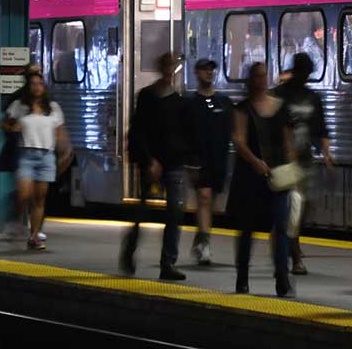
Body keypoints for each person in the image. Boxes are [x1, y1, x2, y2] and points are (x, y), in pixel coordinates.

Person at [121, 52, 190, 279]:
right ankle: (130, 249)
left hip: (173, 163)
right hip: (152, 162)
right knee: (143, 211)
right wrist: (148, 160)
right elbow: (139, 131)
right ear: (162, 68)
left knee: (175, 213)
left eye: (174, 66)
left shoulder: (179, 101)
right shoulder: (147, 96)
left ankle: (168, 263)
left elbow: (182, 135)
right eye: (168, 66)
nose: (171, 70)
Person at [230, 62, 295, 296]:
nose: (261, 80)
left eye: (263, 75)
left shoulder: (281, 108)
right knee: (247, 228)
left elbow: (288, 143)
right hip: (250, 178)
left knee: (280, 226)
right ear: (251, 79)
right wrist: (255, 162)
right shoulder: (243, 109)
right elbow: (239, 140)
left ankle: (282, 277)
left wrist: (291, 170)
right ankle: (243, 277)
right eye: (257, 76)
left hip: (277, 176)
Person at [272, 53, 333, 276]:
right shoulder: (279, 95)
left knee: (303, 208)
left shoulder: (312, 97)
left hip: (306, 158)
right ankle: (296, 257)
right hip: (285, 161)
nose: (305, 77)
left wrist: (326, 153)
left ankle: (285, 242)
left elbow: (321, 127)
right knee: (294, 208)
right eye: (302, 72)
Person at [3, 71, 70, 251]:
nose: (36, 87)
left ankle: (33, 237)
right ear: (28, 87)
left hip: (46, 156)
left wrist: (64, 151)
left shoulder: (53, 108)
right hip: (26, 155)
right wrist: (12, 127)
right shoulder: (19, 106)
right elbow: (6, 123)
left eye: (39, 83)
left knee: (39, 200)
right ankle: (16, 220)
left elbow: (60, 131)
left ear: (44, 87)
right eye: (33, 84)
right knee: (24, 194)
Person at [185, 58, 233, 267]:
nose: (209, 73)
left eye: (211, 70)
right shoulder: (190, 103)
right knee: (204, 198)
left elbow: (231, 130)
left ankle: (200, 238)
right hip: (198, 160)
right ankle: (205, 245)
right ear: (196, 73)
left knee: (210, 203)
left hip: (219, 159)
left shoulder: (224, 102)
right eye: (205, 70)